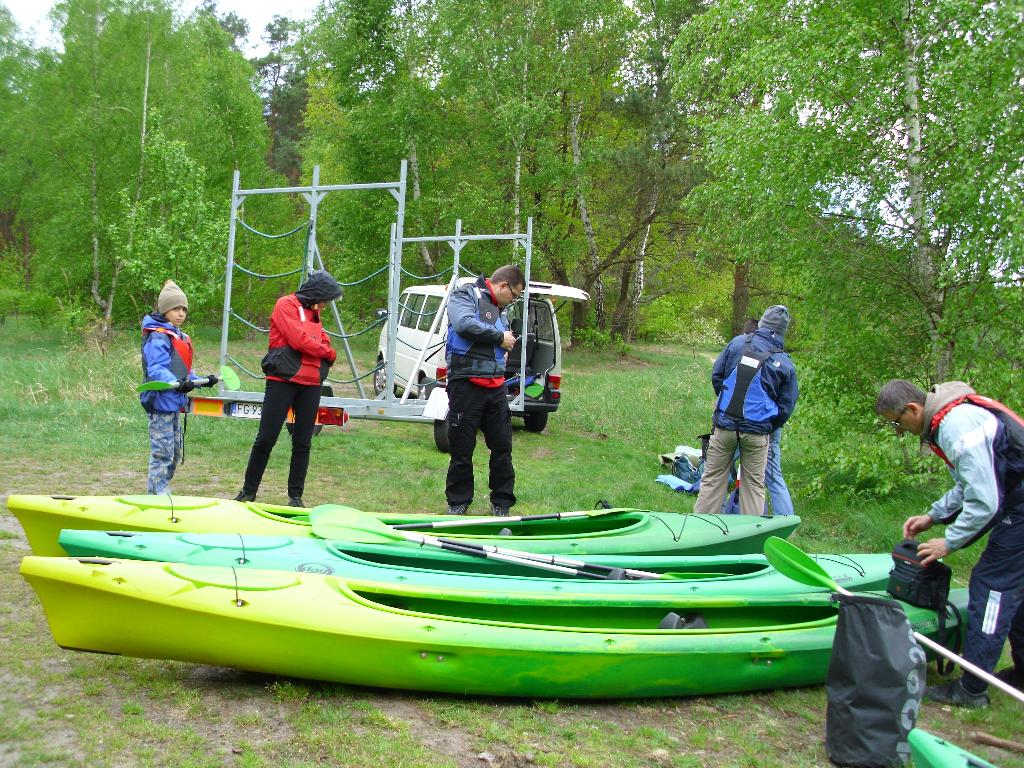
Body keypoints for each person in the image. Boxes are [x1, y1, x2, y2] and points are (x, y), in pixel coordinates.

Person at [877, 379, 1024, 708]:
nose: (899, 431)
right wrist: (933, 516)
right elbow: (970, 483)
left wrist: (949, 542)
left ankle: (972, 689)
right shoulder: (952, 416)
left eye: (897, 422)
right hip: (1017, 499)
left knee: (992, 585)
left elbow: (985, 501)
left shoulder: (955, 426)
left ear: (913, 409)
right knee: (1014, 585)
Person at [235, 270, 342, 507]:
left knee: (303, 441)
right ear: (316, 293)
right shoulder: (286, 304)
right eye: (325, 299)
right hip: (282, 380)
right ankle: (248, 492)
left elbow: (322, 339)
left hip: (311, 383)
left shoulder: (314, 312)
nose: (324, 305)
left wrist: (324, 348)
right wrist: (327, 353)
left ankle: (296, 497)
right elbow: (298, 339)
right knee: (266, 437)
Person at [693, 305, 798, 516]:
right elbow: (786, 407)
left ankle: (701, 533)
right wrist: (767, 425)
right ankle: (750, 538)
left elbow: (717, 376)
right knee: (754, 486)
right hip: (758, 433)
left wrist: (727, 406)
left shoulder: (738, 343)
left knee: (713, 480)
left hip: (725, 427)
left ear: (762, 323)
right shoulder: (785, 362)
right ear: (783, 331)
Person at [443, 265, 526, 516]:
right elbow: (463, 324)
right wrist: (500, 338)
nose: (514, 300)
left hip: (495, 386)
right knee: (462, 447)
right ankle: (458, 502)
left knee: (502, 447)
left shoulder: (500, 311)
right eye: (515, 295)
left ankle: (501, 503)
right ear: (503, 286)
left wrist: (504, 341)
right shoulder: (464, 295)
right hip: (466, 384)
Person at [140, 280, 217, 495]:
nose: (181, 313)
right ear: (165, 310)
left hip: (174, 403)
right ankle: (156, 495)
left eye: (183, 309)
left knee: (174, 453)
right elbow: (156, 369)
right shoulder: (158, 336)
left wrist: (202, 380)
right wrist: (180, 383)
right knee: (162, 453)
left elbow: (183, 371)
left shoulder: (177, 335)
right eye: (176, 309)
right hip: (160, 403)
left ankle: (162, 489)